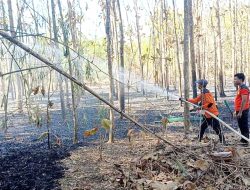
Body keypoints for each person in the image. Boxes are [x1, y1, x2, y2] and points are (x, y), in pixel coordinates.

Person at [233, 73, 250, 145]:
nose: (234, 80)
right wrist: (235, 111)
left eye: (235, 79)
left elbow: (244, 100)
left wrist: (240, 112)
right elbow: (239, 100)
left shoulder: (244, 88)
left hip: (243, 110)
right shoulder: (240, 87)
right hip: (239, 110)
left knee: (244, 125)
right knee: (240, 125)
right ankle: (243, 139)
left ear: (240, 79)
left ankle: (246, 141)